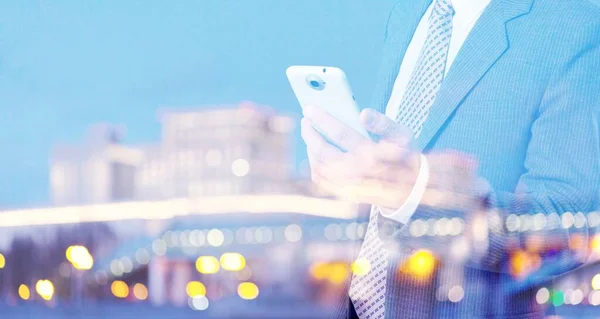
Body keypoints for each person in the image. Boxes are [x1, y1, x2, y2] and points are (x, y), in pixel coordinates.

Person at [300, 0, 600, 318]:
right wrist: (349, 178)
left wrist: (422, 196)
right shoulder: (407, 13)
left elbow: (568, 224)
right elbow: (386, 193)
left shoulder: (576, 24)